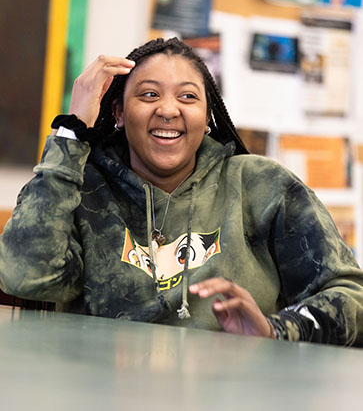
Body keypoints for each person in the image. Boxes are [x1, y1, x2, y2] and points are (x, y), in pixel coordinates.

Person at [1, 37, 363, 345]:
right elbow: (24, 276)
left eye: (188, 97)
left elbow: (351, 295)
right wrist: (72, 132)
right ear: (119, 111)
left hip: (234, 392)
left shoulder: (262, 184)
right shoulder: (82, 187)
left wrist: (275, 330)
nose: (168, 109)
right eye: (148, 94)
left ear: (208, 117)